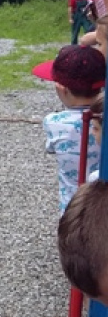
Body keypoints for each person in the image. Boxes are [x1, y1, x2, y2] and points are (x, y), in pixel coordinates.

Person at [32, 44, 105, 215]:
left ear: (61, 89)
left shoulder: (53, 122)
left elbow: (50, 148)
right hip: (103, 203)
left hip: (72, 207)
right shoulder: (103, 120)